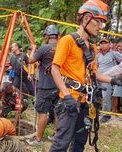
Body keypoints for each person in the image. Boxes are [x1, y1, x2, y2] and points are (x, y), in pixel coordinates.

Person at [49, 0, 122, 151]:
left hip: (85, 102)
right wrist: (66, 94)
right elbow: (54, 69)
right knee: (61, 143)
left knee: (79, 142)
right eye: (99, 21)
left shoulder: (92, 48)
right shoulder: (67, 41)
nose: (101, 27)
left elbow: (95, 75)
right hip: (70, 100)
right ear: (87, 17)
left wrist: (114, 80)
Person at [27, 25, 59, 145]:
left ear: (47, 36)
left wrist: (34, 48)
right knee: (57, 111)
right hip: (59, 84)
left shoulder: (44, 48)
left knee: (42, 112)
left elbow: (30, 60)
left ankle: (38, 139)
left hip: (45, 85)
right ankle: (57, 136)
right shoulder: (61, 47)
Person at [96, 38, 122, 122]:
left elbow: (120, 64)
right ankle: (97, 112)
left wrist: (116, 76)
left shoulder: (113, 54)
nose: (103, 45)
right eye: (102, 43)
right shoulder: (98, 55)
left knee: (106, 97)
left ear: (109, 44)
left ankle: (106, 115)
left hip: (108, 80)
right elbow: (95, 66)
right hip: (98, 78)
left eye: (105, 43)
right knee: (96, 96)